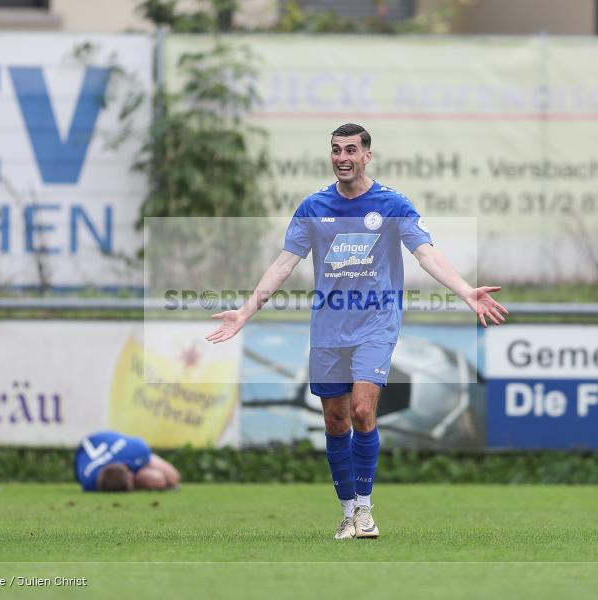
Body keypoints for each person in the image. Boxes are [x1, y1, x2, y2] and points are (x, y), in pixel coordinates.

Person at [206, 124, 508, 540]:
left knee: (364, 411)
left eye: (350, 149)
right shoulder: (313, 207)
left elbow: (425, 254)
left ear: (367, 156)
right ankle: (347, 511)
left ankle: (365, 510)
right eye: (335, 150)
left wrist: (464, 291)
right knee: (334, 421)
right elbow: (283, 264)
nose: (342, 157)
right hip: (329, 328)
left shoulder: (390, 204)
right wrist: (244, 312)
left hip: (375, 325)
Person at [74, 431, 181, 492]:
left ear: (130, 472)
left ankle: (143, 477)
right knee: (157, 480)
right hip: (85, 452)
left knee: (169, 478)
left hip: (105, 441)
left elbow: (172, 478)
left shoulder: (135, 450)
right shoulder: (90, 480)